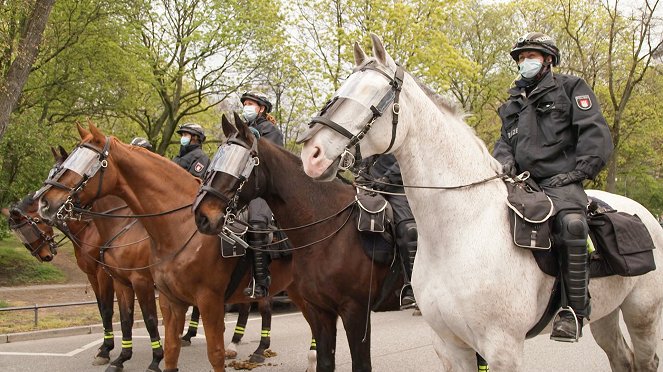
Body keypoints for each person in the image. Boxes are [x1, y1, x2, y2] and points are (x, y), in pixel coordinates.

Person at [492, 32, 613, 342]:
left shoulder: (571, 88)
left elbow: (594, 135)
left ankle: (574, 311)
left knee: (572, 225)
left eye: (530, 56)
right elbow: (504, 141)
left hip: (562, 182)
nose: (524, 62)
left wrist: (577, 173)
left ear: (547, 60)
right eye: (520, 58)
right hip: (522, 183)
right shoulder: (513, 101)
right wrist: (503, 162)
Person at [356, 154, 418, 310]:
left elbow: (406, 157)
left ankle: (413, 287)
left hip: (396, 185)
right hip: (368, 185)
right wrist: (360, 169)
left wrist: (387, 179)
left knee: (408, 231)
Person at [240, 91, 284, 299]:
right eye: (245, 104)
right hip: (240, 185)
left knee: (256, 223)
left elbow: (271, 162)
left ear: (262, 108)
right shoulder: (242, 130)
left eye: (250, 104)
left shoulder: (270, 130)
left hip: (263, 188)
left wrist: (256, 142)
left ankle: (261, 280)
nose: (246, 107)